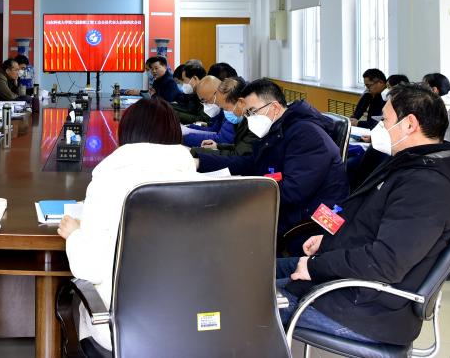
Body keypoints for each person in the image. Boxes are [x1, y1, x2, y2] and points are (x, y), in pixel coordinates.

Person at [276, 83, 450, 345]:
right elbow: (372, 223)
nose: (380, 127)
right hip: (349, 282)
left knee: (243, 298)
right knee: (254, 271)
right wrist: (329, 240)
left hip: (362, 309)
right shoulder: (412, 163)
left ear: (410, 124)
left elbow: (386, 262)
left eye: (386, 120)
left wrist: (315, 267)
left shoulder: (428, 186)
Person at [57, 97, 198, 353]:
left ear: (127, 133)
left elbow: (89, 267)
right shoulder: (198, 183)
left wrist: (75, 234)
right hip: (193, 325)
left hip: (124, 330)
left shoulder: (108, 182)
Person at [196, 78, 349, 250]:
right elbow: (250, 163)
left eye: (252, 112)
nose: (249, 118)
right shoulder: (278, 129)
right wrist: (200, 162)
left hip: (310, 222)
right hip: (286, 210)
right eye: (247, 114)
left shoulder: (307, 134)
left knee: (223, 226)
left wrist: (242, 194)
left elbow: (293, 191)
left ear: (275, 107)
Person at [191, 77, 254, 157]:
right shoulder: (243, 119)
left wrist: (200, 154)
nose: (225, 112)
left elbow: (240, 156)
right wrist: (218, 146)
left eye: (225, 109)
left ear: (241, 102)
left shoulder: (252, 122)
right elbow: (240, 147)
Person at [423, 72, 450, 141]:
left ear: (434, 90)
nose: (421, 91)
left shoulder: (449, 110)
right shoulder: (436, 106)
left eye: (424, 88)